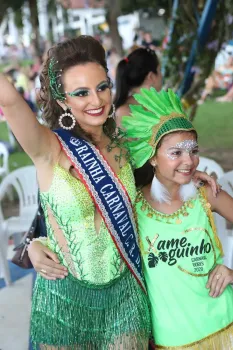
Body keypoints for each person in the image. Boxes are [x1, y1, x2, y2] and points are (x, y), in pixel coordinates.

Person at [0, 36, 151, 349]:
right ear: (63, 100)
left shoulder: (126, 145)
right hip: (64, 298)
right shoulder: (48, 148)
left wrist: (192, 175)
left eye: (102, 87)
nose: (95, 100)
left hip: (125, 297)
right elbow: (10, 100)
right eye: (81, 93)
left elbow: (154, 198)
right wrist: (33, 244)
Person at [122, 88, 233, 349]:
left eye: (193, 150)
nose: (190, 161)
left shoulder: (207, 194)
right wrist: (36, 245)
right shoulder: (132, 207)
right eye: (176, 153)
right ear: (152, 157)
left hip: (225, 325)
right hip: (172, 339)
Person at [114, 47, 162, 127]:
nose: (161, 75)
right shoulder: (125, 113)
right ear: (151, 77)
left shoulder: (154, 103)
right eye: (159, 70)